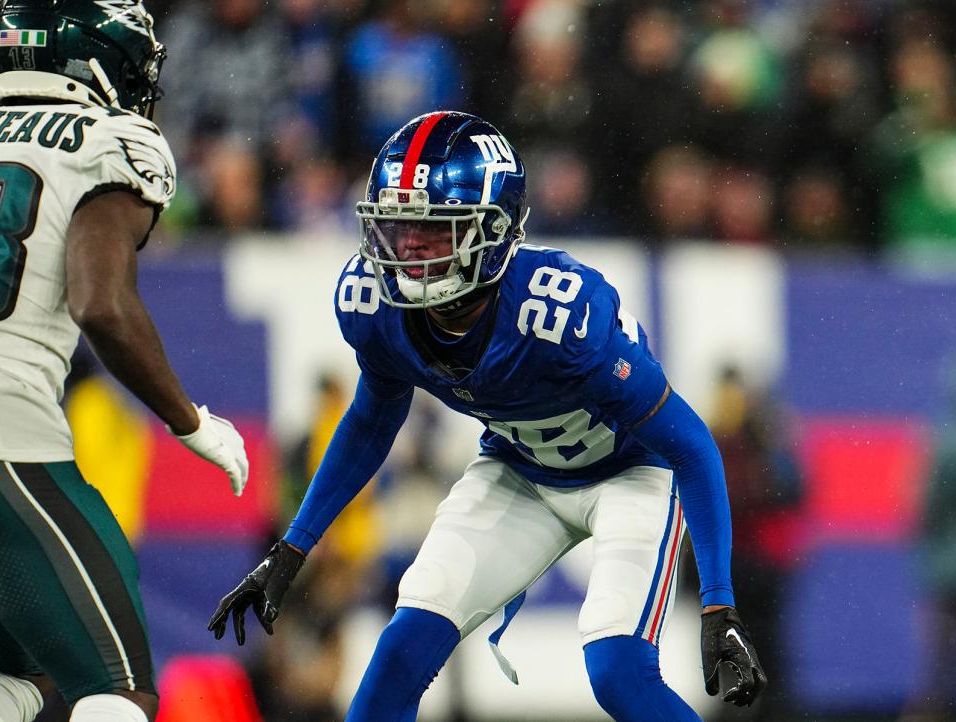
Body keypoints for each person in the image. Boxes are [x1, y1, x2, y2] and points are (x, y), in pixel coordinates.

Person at [209, 111, 766, 721]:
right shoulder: (376, 307)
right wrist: (293, 547)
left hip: (631, 473)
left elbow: (690, 444)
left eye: (434, 232)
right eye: (398, 228)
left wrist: (718, 601)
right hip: (519, 469)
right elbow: (372, 419)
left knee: (617, 671)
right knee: (401, 648)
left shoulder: (560, 315)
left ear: (494, 232)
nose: (410, 251)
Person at [0, 2, 249, 722]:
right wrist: (190, 420)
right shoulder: (108, 138)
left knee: (20, 664)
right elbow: (100, 303)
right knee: (117, 685)